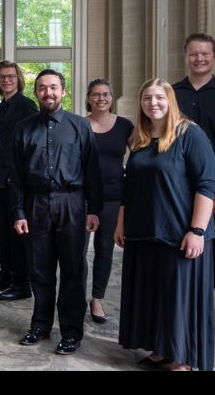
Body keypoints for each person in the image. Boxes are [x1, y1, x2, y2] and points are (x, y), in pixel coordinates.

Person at [116, 78, 215, 371]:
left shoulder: (190, 134)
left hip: (179, 233)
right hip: (144, 231)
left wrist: (197, 230)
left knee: (178, 299)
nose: (153, 103)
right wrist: (121, 224)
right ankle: (161, 349)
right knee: (152, 294)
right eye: (147, 98)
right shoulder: (140, 138)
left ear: (170, 100)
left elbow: (207, 185)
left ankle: (182, 358)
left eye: (159, 97)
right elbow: (129, 186)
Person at [12, 69, 102, 355]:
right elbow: (17, 175)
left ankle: (71, 331)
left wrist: (94, 209)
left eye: (53, 87)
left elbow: (92, 170)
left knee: (74, 269)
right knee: (39, 268)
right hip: (36, 204)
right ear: (36, 92)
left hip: (72, 204)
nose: (47, 93)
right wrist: (18, 211)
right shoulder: (23, 129)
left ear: (63, 92)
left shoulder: (80, 126)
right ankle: (40, 324)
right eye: (42, 88)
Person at [172, 33, 215, 347]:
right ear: (185, 56)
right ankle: (179, 322)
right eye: (194, 54)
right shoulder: (170, 94)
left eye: (205, 54)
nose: (199, 59)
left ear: (214, 56)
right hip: (177, 192)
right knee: (179, 258)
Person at [0, 61, 38, 300]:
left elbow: (31, 145)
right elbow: (3, 143)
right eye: (3, 77)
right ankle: (5, 275)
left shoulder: (26, 106)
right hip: (1, 176)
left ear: (18, 79)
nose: (6, 80)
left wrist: (20, 175)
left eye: (11, 76)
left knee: (17, 231)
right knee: (2, 230)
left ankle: (22, 282)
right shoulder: (4, 105)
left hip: (17, 177)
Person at [82, 78, 133, 323]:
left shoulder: (125, 126)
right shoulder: (79, 125)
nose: (101, 98)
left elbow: (139, 158)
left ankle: (97, 299)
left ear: (112, 98)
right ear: (88, 98)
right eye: (95, 94)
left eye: (105, 94)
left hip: (114, 196)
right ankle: (75, 295)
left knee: (105, 249)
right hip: (82, 197)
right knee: (77, 250)